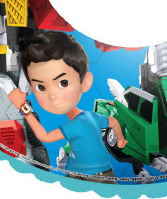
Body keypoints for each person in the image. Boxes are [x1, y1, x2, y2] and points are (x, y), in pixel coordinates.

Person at [7, 31, 127, 183]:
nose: (52, 96)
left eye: (63, 83)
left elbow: (45, 137)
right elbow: (114, 122)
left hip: (91, 178)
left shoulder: (78, 124)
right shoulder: (92, 117)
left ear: (85, 82)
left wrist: (23, 107)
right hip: (84, 173)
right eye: (40, 87)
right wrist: (120, 139)